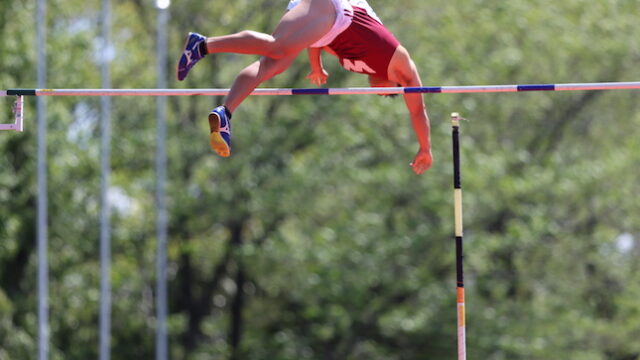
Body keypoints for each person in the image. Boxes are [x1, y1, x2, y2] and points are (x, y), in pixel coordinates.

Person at [177, 0, 433, 174]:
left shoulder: (357, 64)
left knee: (272, 65)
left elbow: (321, 38)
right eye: (392, 93)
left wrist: (316, 64)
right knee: (277, 47)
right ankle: (202, 45)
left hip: (328, 21)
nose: (384, 93)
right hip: (335, 8)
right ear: (399, 84)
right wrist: (425, 148)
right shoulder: (401, 67)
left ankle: (225, 112)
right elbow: (417, 111)